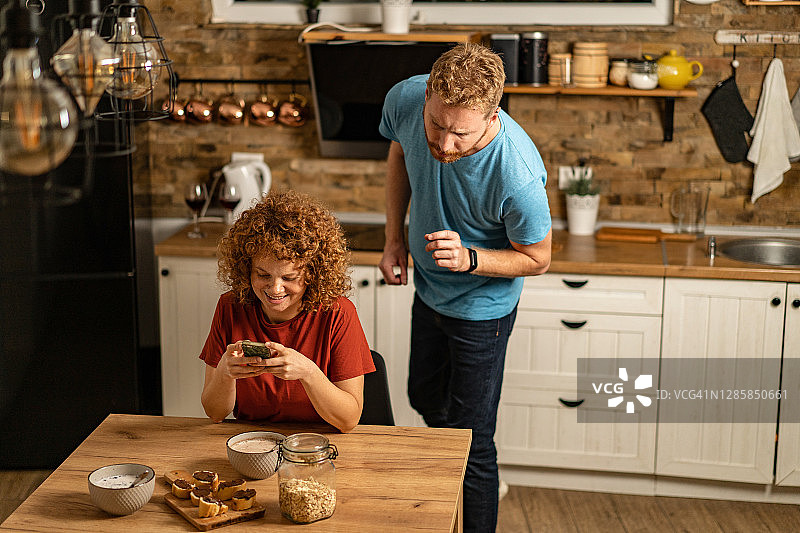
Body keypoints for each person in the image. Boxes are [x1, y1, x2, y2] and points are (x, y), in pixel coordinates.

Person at [378, 42, 552, 532]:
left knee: (474, 443)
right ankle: (456, 464)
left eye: (461, 133)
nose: (445, 144)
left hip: (483, 310)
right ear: (428, 95)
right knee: (421, 395)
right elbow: (399, 151)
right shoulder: (407, 99)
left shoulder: (517, 175)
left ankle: (471, 478)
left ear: (492, 114)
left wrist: (471, 258)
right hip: (428, 290)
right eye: (437, 124)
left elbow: (538, 260)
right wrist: (394, 239)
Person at [200, 190, 374, 433]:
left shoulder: (338, 312)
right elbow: (214, 413)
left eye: (289, 277)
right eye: (263, 275)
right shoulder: (230, 307)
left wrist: (308, 372)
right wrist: (225, 374)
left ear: (312, 274)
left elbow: (348, 420)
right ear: (246, 269)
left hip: (318, 444)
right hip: (250, 442)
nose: (275, 289)